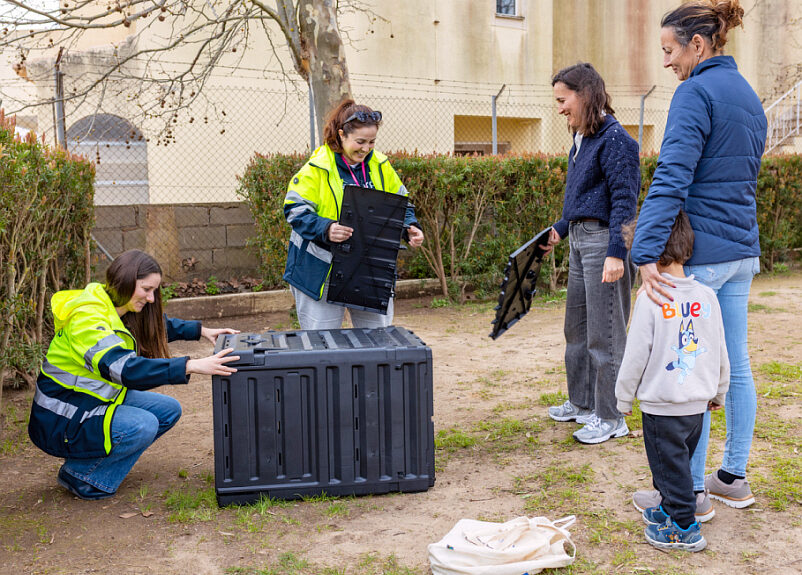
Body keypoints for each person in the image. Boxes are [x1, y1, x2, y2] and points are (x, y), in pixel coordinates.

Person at [631, 0, 766, 510]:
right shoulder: (748, 95)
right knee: (737, 364)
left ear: (698, 45)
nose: (666, 62)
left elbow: (672, 175)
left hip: (703, 257)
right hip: (741, 252)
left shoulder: (695, 92)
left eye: (669, 50)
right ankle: (732, 477)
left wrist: (645, 250)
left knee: (691, 368)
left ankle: (687, 493)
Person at [28, 250, 240, 500]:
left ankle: (90, 460)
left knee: (168, 410)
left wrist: (202, 331)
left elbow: (156, 325)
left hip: (88, 401)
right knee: (143, 425)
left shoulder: (118, 307)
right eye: (146, 289)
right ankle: (82, 475)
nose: (151, 299)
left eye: (154, 291)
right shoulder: (88, 319)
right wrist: (190, 365)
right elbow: (125, 370)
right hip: (60, 416)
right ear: (126, 280)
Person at [616, 210, 729, 552]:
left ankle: (683, 526)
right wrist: (719, 391)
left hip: (662, 407)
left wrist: (622, 399)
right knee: (675, 468)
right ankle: (668, 508)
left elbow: (635, 355)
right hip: (698, 408)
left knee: (669, 468)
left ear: (646, 251)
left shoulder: (650, 298)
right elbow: (720, 349)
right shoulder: (707, 297)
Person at [544, 63, 640, 444]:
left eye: (562, 100)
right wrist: (562, 226)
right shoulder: (581, 139)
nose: (560, 108)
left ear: (584, 95)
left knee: (607, 333)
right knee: (578, 328)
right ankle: (583, 403)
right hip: (580, 240)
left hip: (605, 245)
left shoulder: (616, 139)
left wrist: (617, 252)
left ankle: (612, 416)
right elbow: (584, 199)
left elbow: (623, 199)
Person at [282, 99, 424, 330]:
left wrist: (409, 227)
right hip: (321, 271)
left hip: (368, 268)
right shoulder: (316, 168)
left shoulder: (380, 165)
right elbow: (295, 211)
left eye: (371, 142)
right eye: (360, 142)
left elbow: (401, 203)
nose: (366, 149)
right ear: (341, 135)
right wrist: (326, 228)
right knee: (322, 343)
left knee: (377, 338)